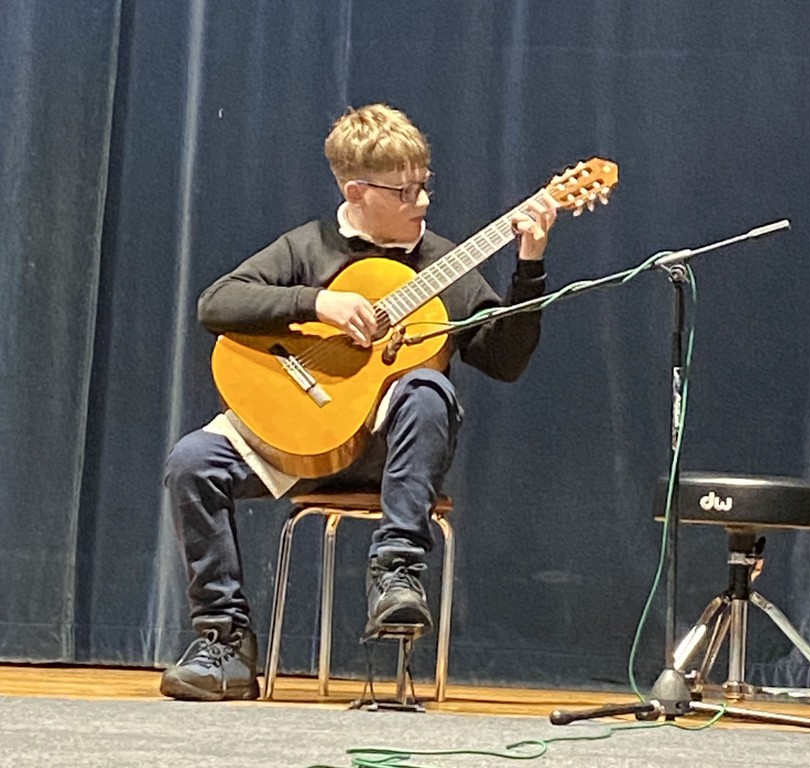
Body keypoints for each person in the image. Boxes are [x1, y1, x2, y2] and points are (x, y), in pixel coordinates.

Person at [159, 103, 558, 701]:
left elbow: (505, 362)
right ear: (357, 192)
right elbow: (216, 304)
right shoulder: (307, 247)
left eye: (424, 183)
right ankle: (224, 642)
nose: (422, 201)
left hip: (388, 454)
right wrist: (316, 303)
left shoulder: (445, 266)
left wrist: (529, 266)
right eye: (405, 191)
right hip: (300, 442)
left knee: (428, 389)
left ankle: (397, 572)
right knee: (192, 461)